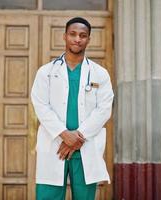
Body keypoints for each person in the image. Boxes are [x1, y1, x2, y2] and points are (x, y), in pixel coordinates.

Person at [31, 17, 114, 200]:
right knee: (48, 196)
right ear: (65, 36)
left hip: (84, 146)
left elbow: (104, 109)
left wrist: (77, 137)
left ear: (88, 39)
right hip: (55, 145)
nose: (77, 39)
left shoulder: (100, 74)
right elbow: (40, 105)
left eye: (83, 35)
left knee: (84, 197)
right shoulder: (46, 72)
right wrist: (64, 133)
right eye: (73, 34)